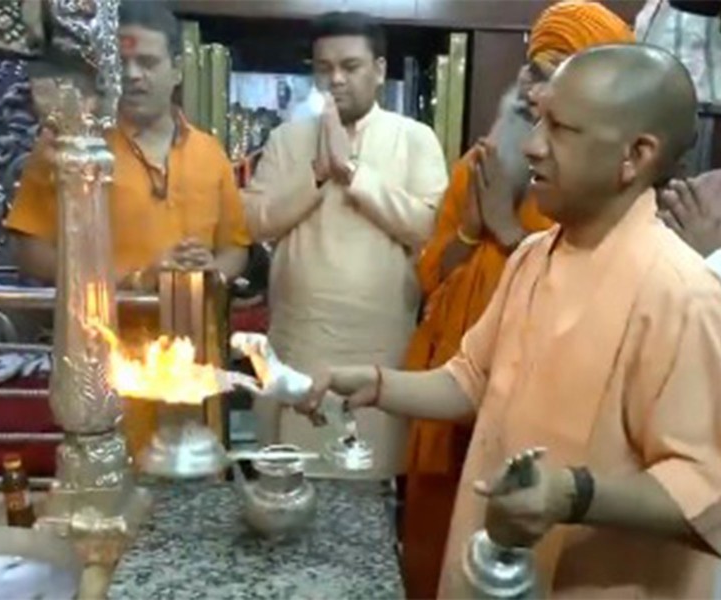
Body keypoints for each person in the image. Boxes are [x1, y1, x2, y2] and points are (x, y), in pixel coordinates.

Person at [301, 44, 721, 598]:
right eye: (538, 120)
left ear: (635, 155)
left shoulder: (682, 295)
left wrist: (572, 494)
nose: (532, 145)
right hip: (494, 567)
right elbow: (472, 379)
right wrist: (376, 384)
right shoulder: (532, 256)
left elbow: (704, 488)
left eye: (561, 129)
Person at [400, 2, 634, 596]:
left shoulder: (598, 194)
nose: (534, 90)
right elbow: (431, 279)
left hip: (532, 408)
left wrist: (506, 227)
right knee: (431, 549)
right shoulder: (477, 166)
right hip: (455, 383)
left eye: (556, 76)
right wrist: (471, 228)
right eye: (533, 69)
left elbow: (586, 292)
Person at [5, 1, 250, 460]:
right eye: (122, 63)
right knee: (111, 481)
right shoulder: (72, 147)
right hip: (105, 362)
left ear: (177, 69)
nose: (134, 75)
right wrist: (134, 279)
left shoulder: (211, 154)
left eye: (148, 62)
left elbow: (235, 248)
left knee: (195, 483)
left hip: (193, 361)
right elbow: (30, 252)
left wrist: (210, 271)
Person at [243, 11, 448, 478]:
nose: (335, 79)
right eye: (324, 67)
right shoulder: (286, 139)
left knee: (368, 477)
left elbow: (429, 227)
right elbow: (254, 221)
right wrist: (318, 173)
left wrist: (351, 173)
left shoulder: (415, 139)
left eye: (350, 66)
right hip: (300, 340)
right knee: (293, 479)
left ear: (379, 70)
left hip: (379, 348)